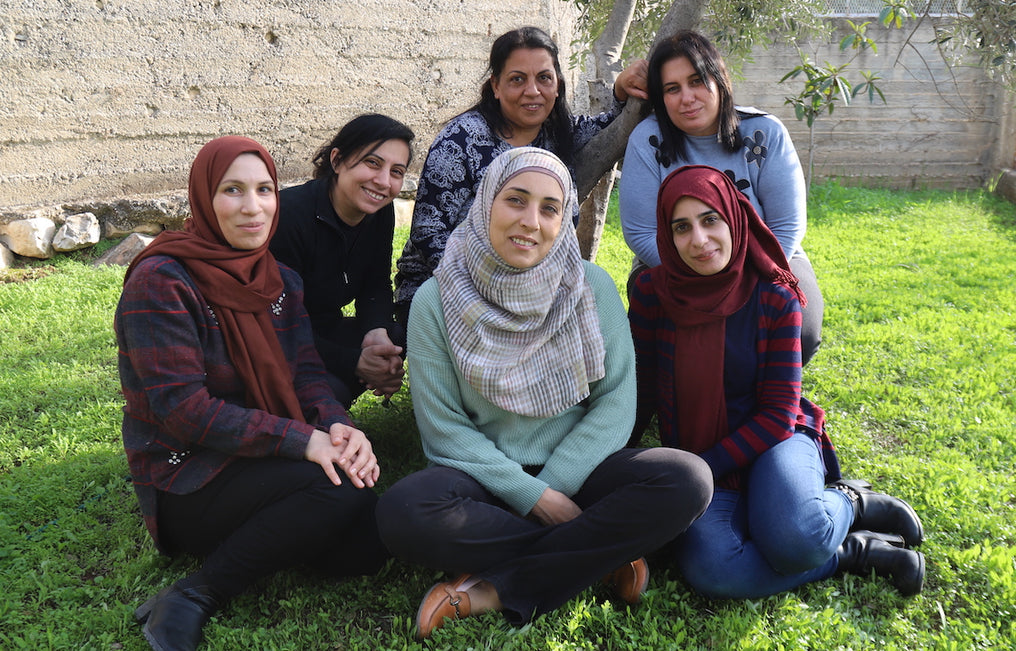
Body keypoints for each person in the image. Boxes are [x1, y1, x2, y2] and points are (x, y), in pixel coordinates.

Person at [376, 147, 713, 639]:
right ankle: (601, 556)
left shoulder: (590, 286)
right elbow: (444, 429)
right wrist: (532, 495)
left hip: (583, 469)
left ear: (564, 219)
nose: (530, 222)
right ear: (487, 202)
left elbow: (617, 400)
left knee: (688, 479)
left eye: (550, 208)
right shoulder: (436, 299)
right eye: (516, 200)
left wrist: (554, 487)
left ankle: (493, 587)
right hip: (484, 478)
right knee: (402, 512)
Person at [115, 136, 385, 651]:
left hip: (256, 455)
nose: (253, 207)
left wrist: (338, 426)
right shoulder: (161, 282)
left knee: (363, 548)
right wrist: (303, 441)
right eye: (232, 190)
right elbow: (181, 410)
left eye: (265, 190)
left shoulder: (278, 278)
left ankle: (281, 526)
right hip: (188, 473)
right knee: (336, 491)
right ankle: (194, 595)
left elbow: (305, 371)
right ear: (203, 198)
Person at [628, 164, 925, 600]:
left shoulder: (775, 296)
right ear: (667, 236)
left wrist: (702, 469)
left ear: (734, 217)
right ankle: (853, 552)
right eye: (681, 227)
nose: (699, 239)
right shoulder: (654, 294)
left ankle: (851, 500)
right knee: (714, 571)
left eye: (711, 220)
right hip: (699, 448)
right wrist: (614, 461)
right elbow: (643, 386)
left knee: (798, 539)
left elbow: (777, 415)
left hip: (775, 440)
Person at [393, 25, 649, 325]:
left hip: (531, 288)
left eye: (544, 78)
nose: (533, 91)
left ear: (557, 85)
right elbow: (429, 232)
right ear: (496, 86)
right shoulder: (461, 139)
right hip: (449, 288)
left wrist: (620, 89)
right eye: (517, 79)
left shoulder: (557, 134)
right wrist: (491, 291)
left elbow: (606, 127)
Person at [620, 30, 824, 365]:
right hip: (676, 263)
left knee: (803, 326)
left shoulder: (764, 133)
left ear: (720, 80)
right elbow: (641, 233)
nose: (687, 97)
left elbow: (786, 226)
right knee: (661, 324)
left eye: (697, 81)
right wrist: (704, 279)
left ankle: (769, 392)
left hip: (766, 259)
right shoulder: (648, 140)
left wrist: (740, 283)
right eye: (672, 89)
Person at [270, 114, 413, 407]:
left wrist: (376, 333)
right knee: (333, 391)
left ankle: (325, 406)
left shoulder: (378, 211)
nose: (383, 182)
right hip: (276, 341)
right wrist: (353, 362)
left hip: (324, 329)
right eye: (372, 163)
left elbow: (375, 284)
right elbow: (279, 322)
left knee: (394, 336)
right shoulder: (289, 216)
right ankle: (321, 408)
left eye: (396, 171)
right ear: (336, 160)